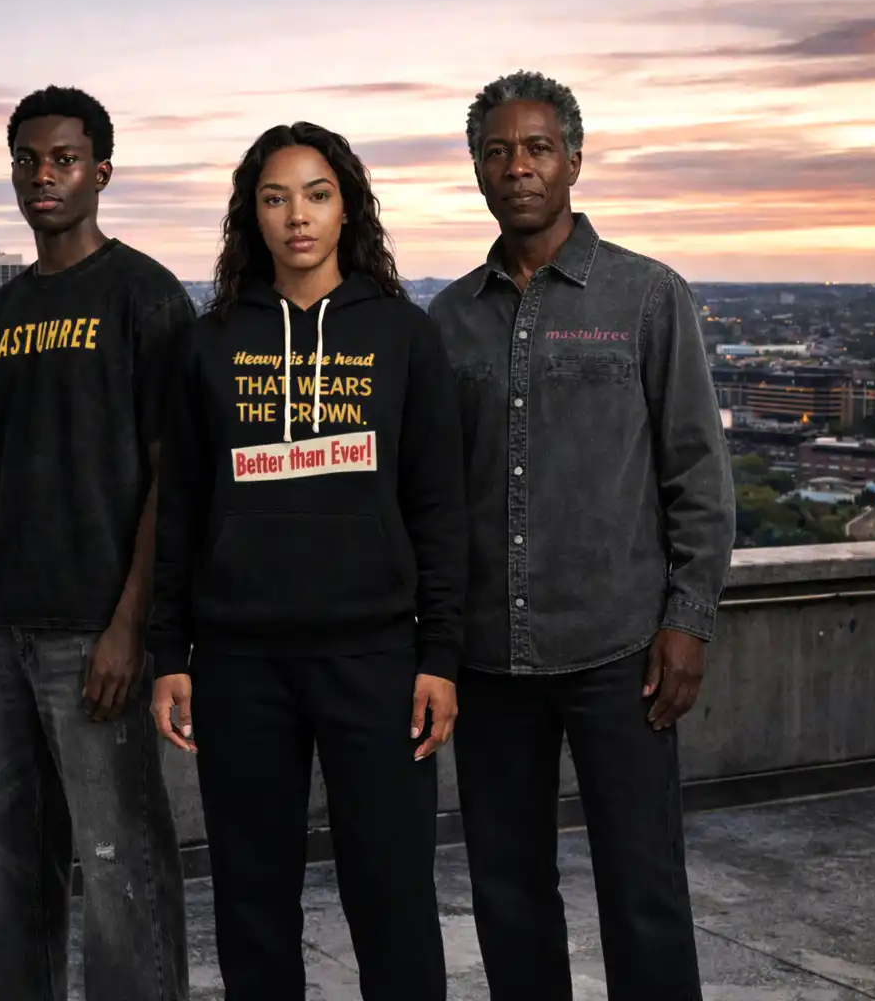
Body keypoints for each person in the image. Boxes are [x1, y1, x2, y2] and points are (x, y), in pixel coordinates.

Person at [429, 70, 736, 1000]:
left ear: (573, 160)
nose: (517, 167)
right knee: (508, 892)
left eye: (536, 148)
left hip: (620, 653)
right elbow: (432, 498)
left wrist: (689, 620)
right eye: (497, 151)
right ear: (477, 169)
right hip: (489, 662)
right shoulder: (446, 320)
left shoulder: (646, 297)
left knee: (642, 888)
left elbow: (697, 472)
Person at [148, 121, 468, 999]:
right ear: (250, 215)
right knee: (253, 903)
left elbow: (439, 507)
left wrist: (438, 655)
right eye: (276, 197)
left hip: (374, 659)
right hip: (239, 662)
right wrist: (169, 655)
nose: (298, 217)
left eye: (318, 195)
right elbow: (179, 510)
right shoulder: (211, 342)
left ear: (347, 208)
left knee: (394, 895)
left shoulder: (403, 335)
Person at [0, 84, 191, 1001]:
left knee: (123, 875)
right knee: (6, 877)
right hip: (0, 635)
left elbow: (172, 478)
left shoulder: (146, 297)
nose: (45, 176)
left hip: (93, 632)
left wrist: (133, 627)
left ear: (101, 173)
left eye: (64, 159)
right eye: (29, 161)